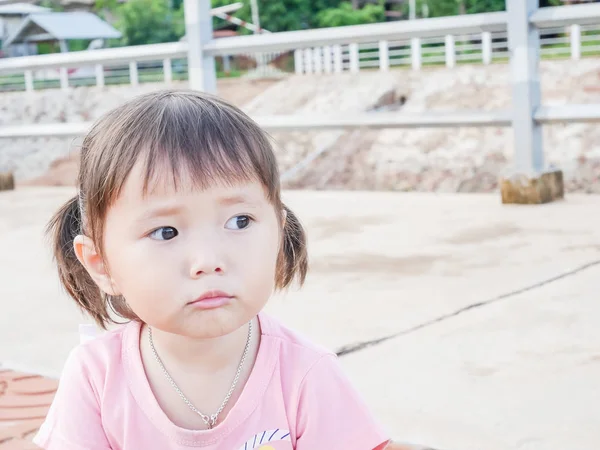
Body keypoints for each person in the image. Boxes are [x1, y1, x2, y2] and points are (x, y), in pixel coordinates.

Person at [33, 90, 405, 450]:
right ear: (101, 264)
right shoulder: (96, 376)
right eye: (166, 232)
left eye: (239, 221)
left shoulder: (307, 374)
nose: (208, 260)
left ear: (278, 231)